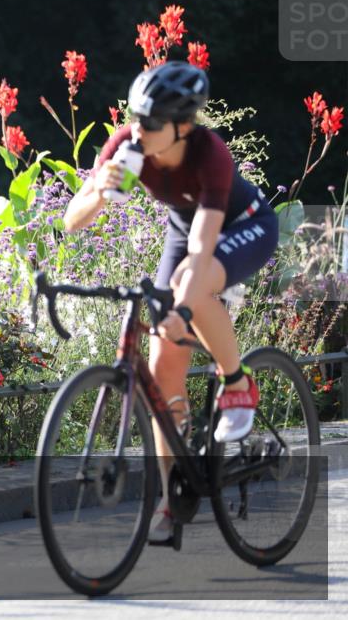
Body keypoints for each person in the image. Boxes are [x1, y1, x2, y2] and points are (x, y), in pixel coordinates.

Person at [61, 61, 279, 543]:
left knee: (189, 284)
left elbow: (203, 249)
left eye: (151, 122)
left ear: (182, 126)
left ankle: (238, 382)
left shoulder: (209, 154)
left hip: (244, 226)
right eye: (135, 117)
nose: (139, 129)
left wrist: (182, 307)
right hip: (185, 230)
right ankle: (172, 495)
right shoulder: (128, 144)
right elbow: (71, 220)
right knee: (162, 368)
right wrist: (99, 189)